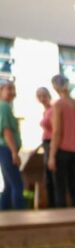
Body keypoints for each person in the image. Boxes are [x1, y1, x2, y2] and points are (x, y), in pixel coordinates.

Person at [48, 74, 75, 208]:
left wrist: (52, 155)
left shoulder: (58, 104)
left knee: (60, 188)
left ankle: (61, 219)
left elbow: (57, 131)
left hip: (62, 151)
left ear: (55, 87)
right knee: (74, 187)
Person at [0, 79, 24, 210]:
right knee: (17, 185)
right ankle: (20, 217)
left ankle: (4, 215)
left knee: (9, 186)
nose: (13, 92)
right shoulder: (3, 106)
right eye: (9, 89)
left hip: (5, 149)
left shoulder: (5, 106)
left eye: (13, 89)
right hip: (7, 149)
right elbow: (6, 131)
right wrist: (14, 152)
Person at [36, 87, 56, 207]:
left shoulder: (53, 110)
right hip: (46, 143)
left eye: (44, 95)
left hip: (51, 144)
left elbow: (55, 131)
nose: (42, 98)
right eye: (39, 96)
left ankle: (54, 204)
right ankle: (51, 202)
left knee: (51, 175)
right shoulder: (46, 111)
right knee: (47, 176)